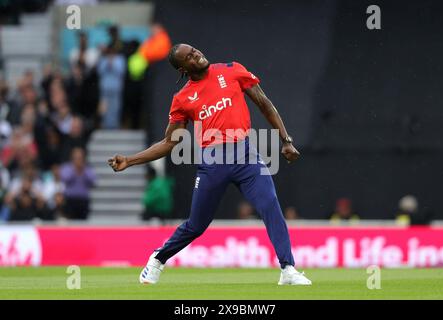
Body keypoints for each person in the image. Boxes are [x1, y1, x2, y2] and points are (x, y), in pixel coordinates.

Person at [108, 43, 311, 286]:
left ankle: (288, 268)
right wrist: (130, 160)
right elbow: (169, 142)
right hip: (213, 162)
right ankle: (157, 259)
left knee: (270, 205)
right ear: (183, 69)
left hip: (246, 154)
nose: (197, 55)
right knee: (196, 225)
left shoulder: (231, 70)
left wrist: (285, 140)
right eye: (190, 57)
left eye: (194, 50)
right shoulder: (182, 98)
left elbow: (264, 103)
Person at [60, 147, 96, 220]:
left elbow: (93, 181)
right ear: (72, 157)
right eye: (76, 157)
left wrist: (83, 170)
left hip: (83, 201)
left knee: (82, 224)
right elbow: (65, 179)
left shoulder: (87, 168)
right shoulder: (67, 167)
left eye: (80, 157)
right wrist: (75, 170)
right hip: (70, 200)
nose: (78, 159)